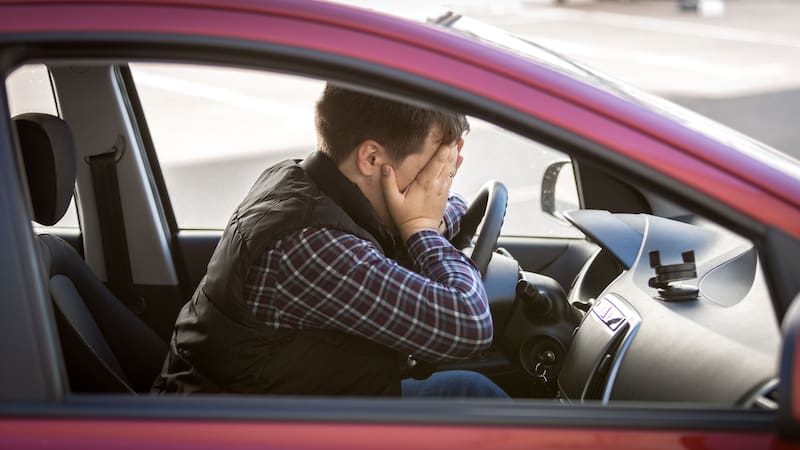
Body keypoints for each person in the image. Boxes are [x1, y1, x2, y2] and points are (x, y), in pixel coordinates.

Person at [154, 84, 506, 398]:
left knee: (471, 392)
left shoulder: (302, 178)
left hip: (301, 402)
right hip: (247, 433)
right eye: (433, 165)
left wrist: (428, 218)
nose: (438, 180)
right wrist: (422, 229)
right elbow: (469, 326)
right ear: (371, 158)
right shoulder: (310, 244)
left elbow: (447, 204)